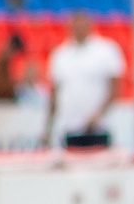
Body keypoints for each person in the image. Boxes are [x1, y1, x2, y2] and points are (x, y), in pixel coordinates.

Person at [45, 12, 124, 151]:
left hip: (98, 127)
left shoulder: (106, 50)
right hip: (68, 127)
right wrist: (48, 128)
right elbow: (54, 93)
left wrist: (98, 115)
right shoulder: (60, 55)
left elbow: (115, 88)